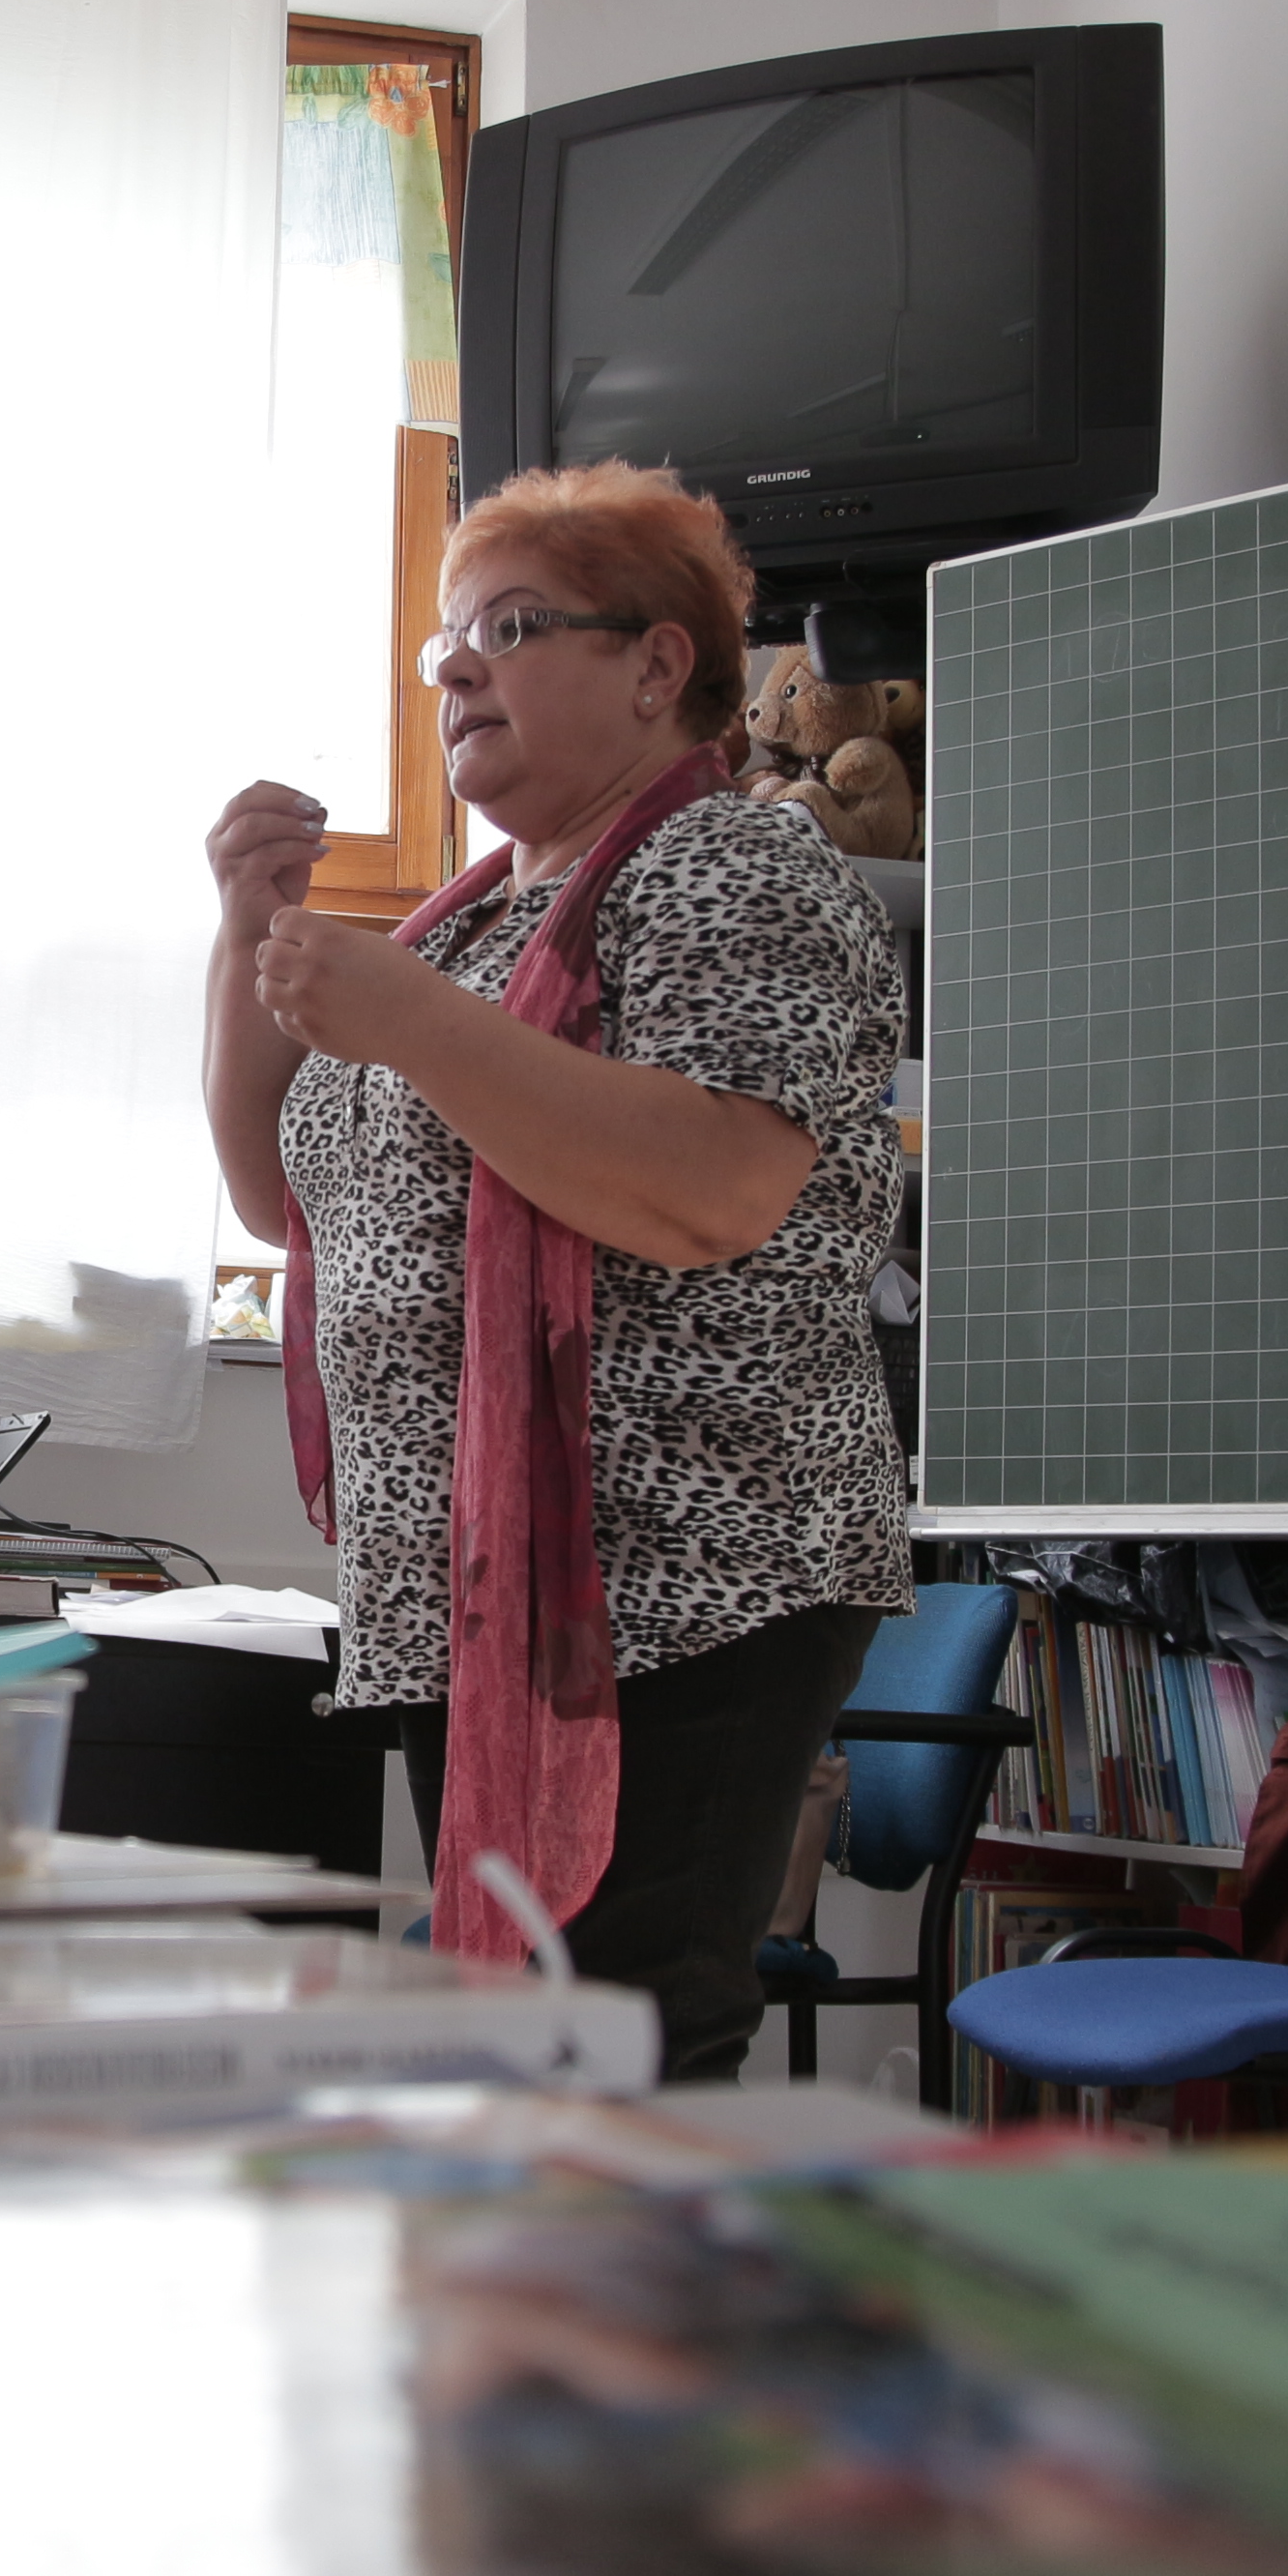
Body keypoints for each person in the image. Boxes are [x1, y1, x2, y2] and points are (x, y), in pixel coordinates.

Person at [202, 463, 911, 2082]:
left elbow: (710, 1189)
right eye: (448, 642)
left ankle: (641, 2262)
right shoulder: (456, 935)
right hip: (472, 1592)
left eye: (511, 629)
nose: (458, 667)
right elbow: (279, 1197)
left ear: (659, 665)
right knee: (520, 2048)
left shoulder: (737, 868)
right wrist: (247, 931)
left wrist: (413, 1026)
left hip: (685, 1571)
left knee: (616, 2041)